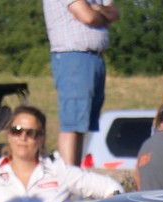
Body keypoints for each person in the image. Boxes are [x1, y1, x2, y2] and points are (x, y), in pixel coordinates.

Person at [43, 0, 119, 167]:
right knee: (72, 124)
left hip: (94, 58)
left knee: (82, 124)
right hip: (73, 57)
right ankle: (70, 178)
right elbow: (88, 17)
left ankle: (76, 173)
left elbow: (114, 13)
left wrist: (97, 9)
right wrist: (102, 15)